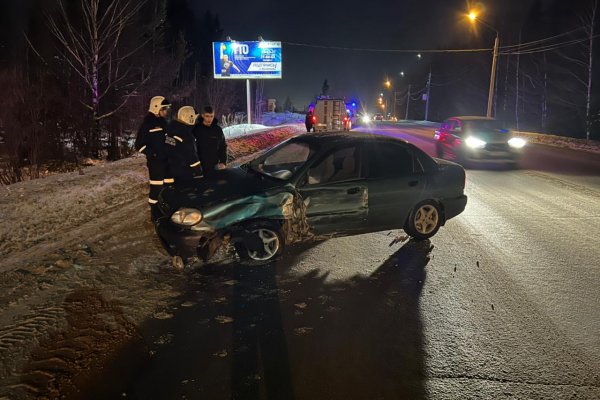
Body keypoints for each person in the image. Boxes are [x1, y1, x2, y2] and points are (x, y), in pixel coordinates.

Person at [134, 96, 172, 217]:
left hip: (168, 162)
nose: (166, 111)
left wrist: (176, 145)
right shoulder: (147, 124)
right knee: (156, 189)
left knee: (169, 187)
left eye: (166, 109)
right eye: (164, 109)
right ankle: (155, 215)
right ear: (156, 108)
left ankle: (168, 211)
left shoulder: (164, 123)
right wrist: (154, 154)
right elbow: (139, 145)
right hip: (156, 164)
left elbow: (169, 139)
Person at [165, 106, 203, 183]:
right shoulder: (186, 135)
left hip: (167, 172)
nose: (195, 121)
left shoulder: (169, 131)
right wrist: (199, 172)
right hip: (183, 174)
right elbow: (192, 156)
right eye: (194, 119)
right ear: (189, 118)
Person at [193, 106, 227, 178]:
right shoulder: (196, 129)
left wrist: (223, 162)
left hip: (215, 165)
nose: (209, 119)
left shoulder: (217, 130)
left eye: (211, 116)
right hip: (200, 166)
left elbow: (223, 146)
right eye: (207, 116)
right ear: (202, 116)